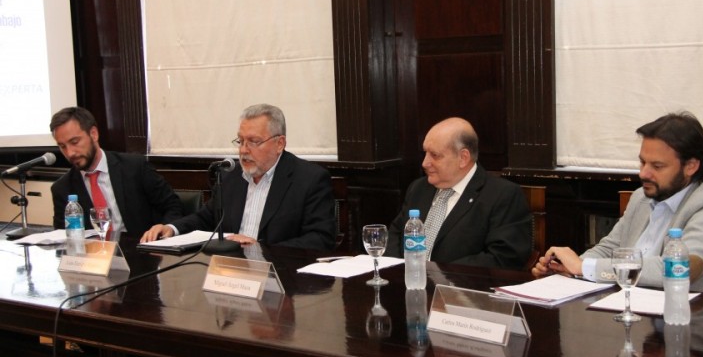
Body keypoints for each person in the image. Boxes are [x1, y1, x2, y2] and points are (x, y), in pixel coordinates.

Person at [532, 112, 703, 296]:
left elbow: (678, 269)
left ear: (691, 166)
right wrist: (568, 267)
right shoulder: (641, 197)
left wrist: (584, 267)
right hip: (643, 315)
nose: (643, 173)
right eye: (642, 162)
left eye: (657, 166)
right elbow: (611, 248)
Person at [141, 103, 336, 251]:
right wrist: (171, 228)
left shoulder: (309, 179)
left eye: (253, 141)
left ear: (279, 144)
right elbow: (206, 218)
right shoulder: (230, 176)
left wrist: (259, 248)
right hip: (232, 274)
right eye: (241, 141)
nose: (243, 150)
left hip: (282, 278)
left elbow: (320, 239)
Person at [384, 117, 531, 268]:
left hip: (461, 287)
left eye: (434, 155)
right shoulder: (418, 188)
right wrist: (396, 269)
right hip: (408, 282)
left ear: (463, 158)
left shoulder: (503, 195)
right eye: (425, 153)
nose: (425, 163)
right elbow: (396, 233)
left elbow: (504, 257)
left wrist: (440, 275)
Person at [50, 107, 183, 237]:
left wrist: (164, 230)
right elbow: (63, 237)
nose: (70, 153)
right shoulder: (62, 188)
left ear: (94, 134)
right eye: (62, 146)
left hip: (142, 251)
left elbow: (173, 206)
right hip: (93, 257)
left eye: (74, 142)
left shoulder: (134, 167)